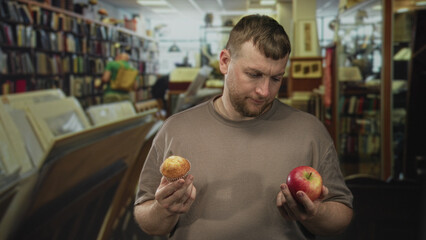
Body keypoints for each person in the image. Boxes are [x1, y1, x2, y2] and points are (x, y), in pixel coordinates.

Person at [134, 14, 353, 240]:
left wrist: (317, 213)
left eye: (276, 78)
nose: (265, 91)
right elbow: (146, 217)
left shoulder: (310, 131)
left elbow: (341, 216)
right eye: (254, 74)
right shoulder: (175, 129)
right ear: (225, 62)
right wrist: (162, 210)